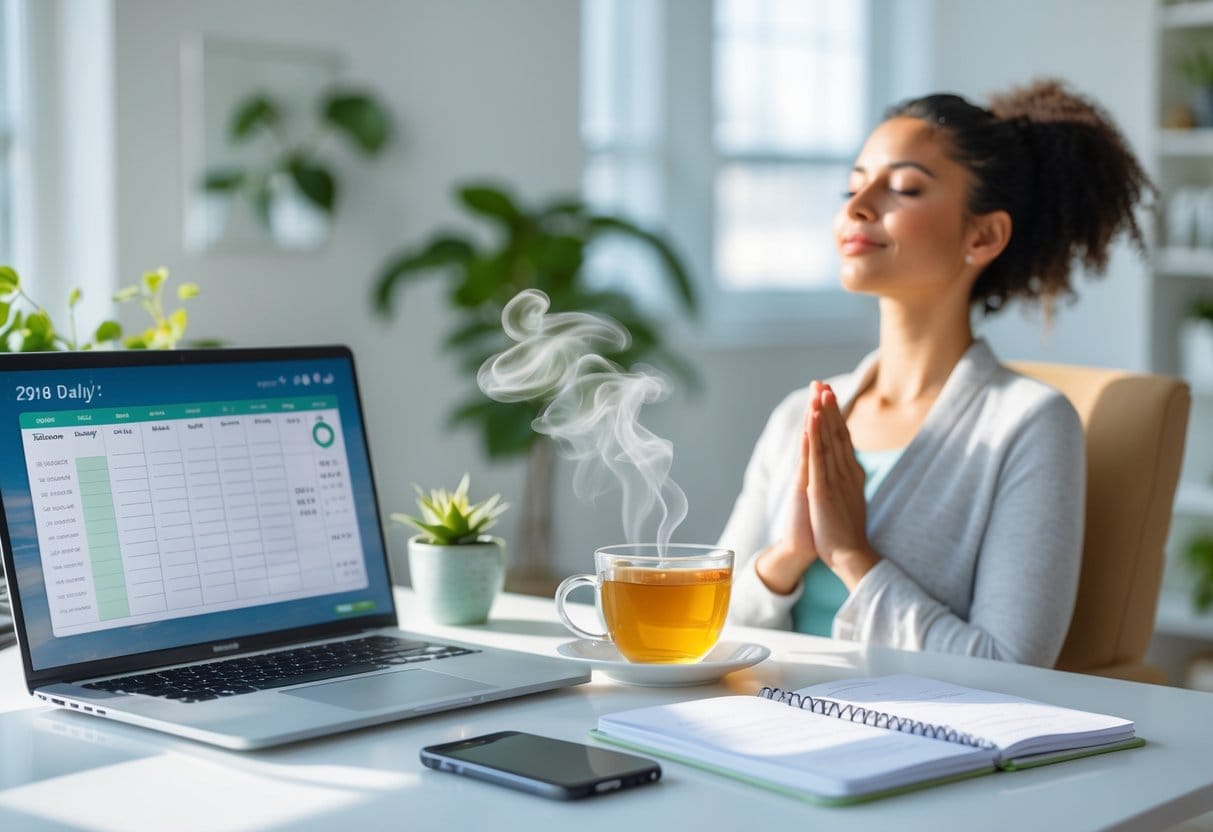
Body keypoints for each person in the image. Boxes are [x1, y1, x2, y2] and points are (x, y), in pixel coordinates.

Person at [718, 79, 1154, 667]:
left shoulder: (1028, 425)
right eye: (853, 184)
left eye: (903, 187)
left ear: (983, 235)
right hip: (759, 727)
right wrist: (787, 556)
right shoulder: (800, 414)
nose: (857, 205)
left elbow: (1012, 668)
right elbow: (711, 628)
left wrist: (851, 555)